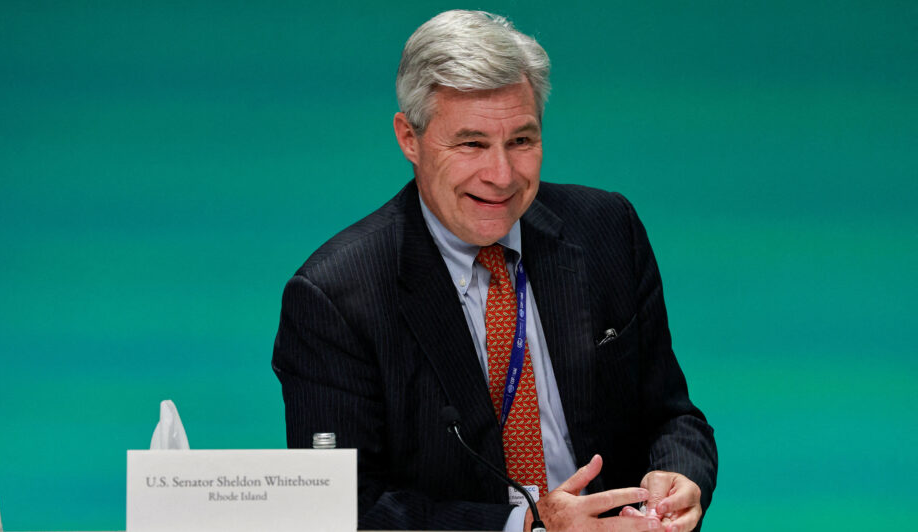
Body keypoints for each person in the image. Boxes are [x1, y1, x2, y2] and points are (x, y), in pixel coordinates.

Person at [273, 9, 717, 532]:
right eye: (472, 144)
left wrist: (681, 476)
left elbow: (671, 415)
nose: (502, 176)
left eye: (522, 141)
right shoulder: (335, 296)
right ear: (409, 138)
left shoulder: (606, 231)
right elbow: (346, 506)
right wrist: (528, 527)